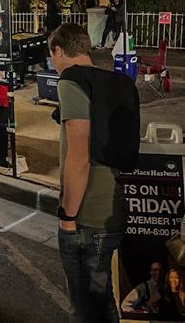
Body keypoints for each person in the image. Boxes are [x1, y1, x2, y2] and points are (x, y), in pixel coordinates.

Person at [49, 23, 140, 323]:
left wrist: (67, 216)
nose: (53, 63)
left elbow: (78, 158)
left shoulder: (71, 81)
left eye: (53, 56)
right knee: (102, 302)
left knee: (85, 307)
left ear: (59, 51)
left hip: (88, 216)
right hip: (114, 208)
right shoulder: (115, 82)